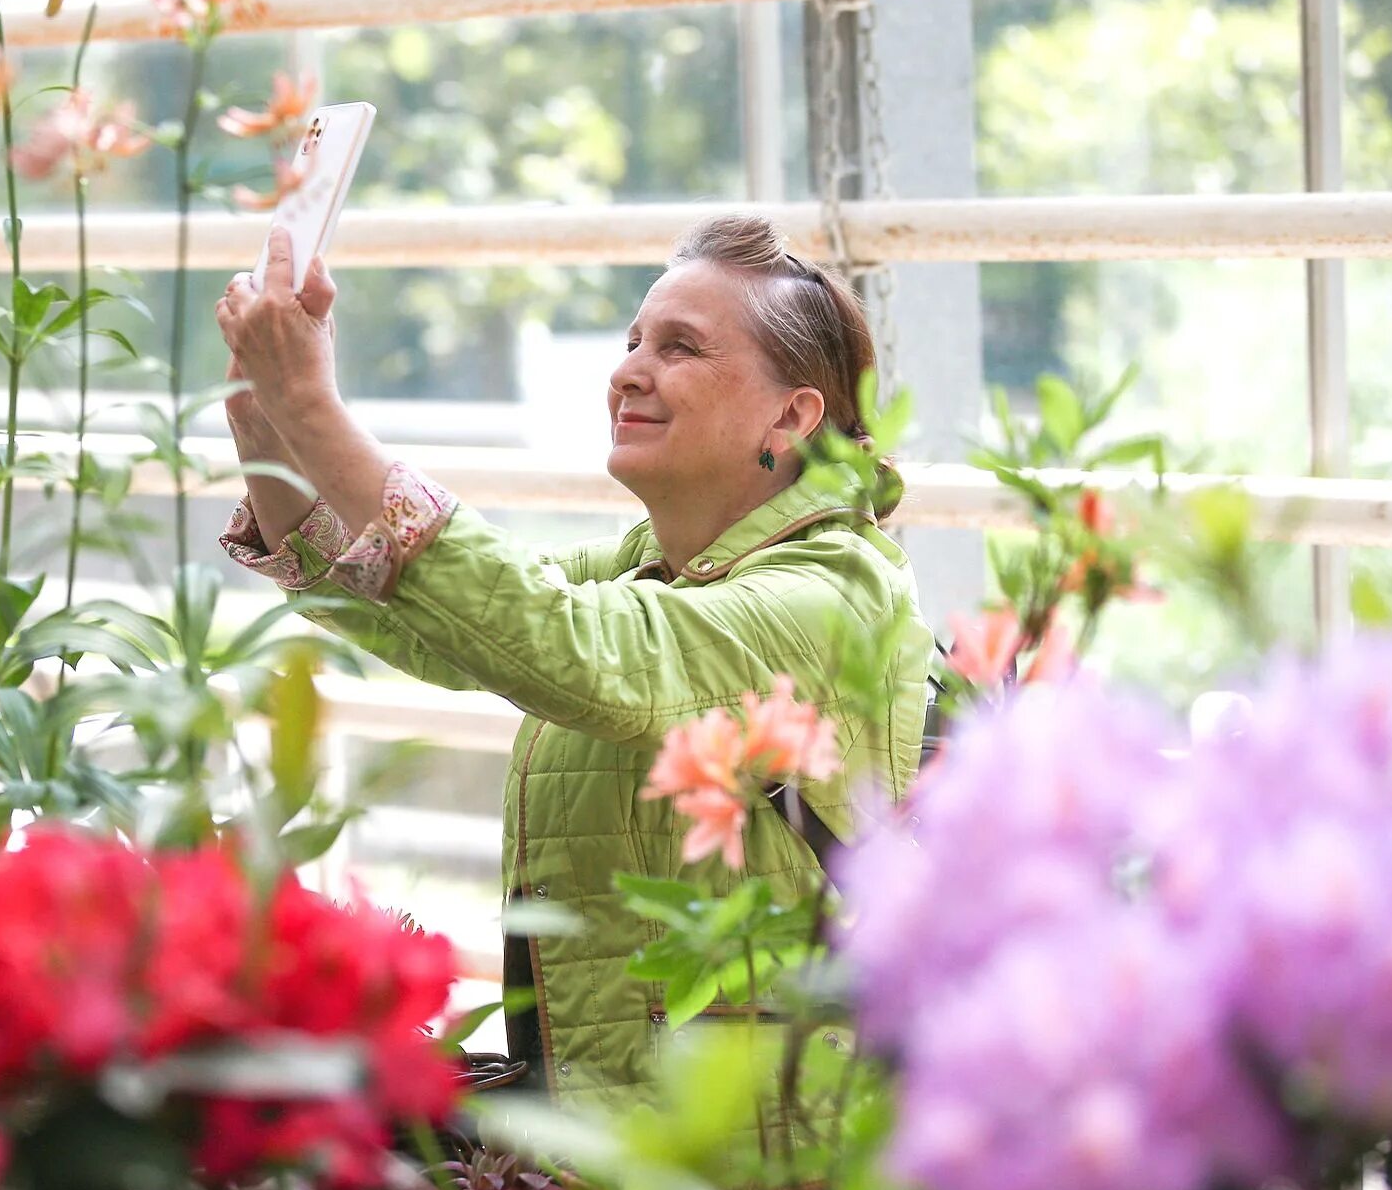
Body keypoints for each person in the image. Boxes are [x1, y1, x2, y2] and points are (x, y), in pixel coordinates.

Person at [212, 214, 933, 1106]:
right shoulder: (647, 564)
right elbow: (424, 614)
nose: (629, 369)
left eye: (681, 348)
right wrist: (263, 415)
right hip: (618, 1141)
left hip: (760, 1178)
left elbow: (570, 649)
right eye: (634, 340)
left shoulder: (834, 590)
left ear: (792, 415)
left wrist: (314, 408)